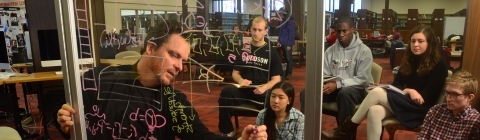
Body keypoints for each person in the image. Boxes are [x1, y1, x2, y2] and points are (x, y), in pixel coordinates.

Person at [54, 20, 268, 140]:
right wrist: (64, 121)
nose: (179, 66)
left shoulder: (173, 102)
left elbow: (202, 138)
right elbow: (65, 117)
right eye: (174, 55)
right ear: (150, 48)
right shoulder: (98, 79)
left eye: (183, 60)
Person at [323, 26, 449, 140]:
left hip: (422, 109)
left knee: (377, 93)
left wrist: (408, 91)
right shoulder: (409, 60)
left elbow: (425, 97)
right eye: (413, 41)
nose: (416, 44)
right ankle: (345, 131)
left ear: (429, 43)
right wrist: (404, 90)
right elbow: (397, 86)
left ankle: (344, 131)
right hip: (406, 102)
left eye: (420, 41)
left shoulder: (439, 64)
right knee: (374, 110)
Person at [299, 16, 373, 137]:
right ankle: (304, 132)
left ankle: (345, 135)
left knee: (345, 93)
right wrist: (325, 83)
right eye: (338, 31)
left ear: (352, 30)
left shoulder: (364, 51)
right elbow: (324, 74)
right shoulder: (330, 51)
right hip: (334, 87)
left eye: (345, 31)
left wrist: (338, 84)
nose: (341, 34)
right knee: (307, 93)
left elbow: (363, 79)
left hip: (357, 90)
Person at [218, 17, 283, 137]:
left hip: (262, 91)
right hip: (244, 89)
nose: (256, 33)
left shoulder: (271, 52)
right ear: (250, 29)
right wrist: (241, 80)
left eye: (259, 30)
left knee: (274, 99)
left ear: (265, 31)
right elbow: (235, 73)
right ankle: (227, 130)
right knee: (226, 92)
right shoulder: (244, 48)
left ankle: (267, 132)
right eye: (254, 29)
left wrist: (264, 87)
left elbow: (276, 79)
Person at [418, 70, 480, 139]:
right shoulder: (435, 111)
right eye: (447, 93)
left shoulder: (476, 122)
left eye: (455, 94)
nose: (448, 99)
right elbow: (422, 137)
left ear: (470, 97)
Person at [276, 7, 296, 80]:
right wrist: (279, 41)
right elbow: (280, 32)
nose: (279, 15)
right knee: (284, 58)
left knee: (289, 59)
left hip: (287, 43)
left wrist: (289, 44)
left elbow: (291, 34)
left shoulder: (290, 21)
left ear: (284, 14)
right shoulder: (282, 21)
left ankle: (289, 73)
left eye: (280, 14)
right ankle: (285, 73)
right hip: (282, 42)